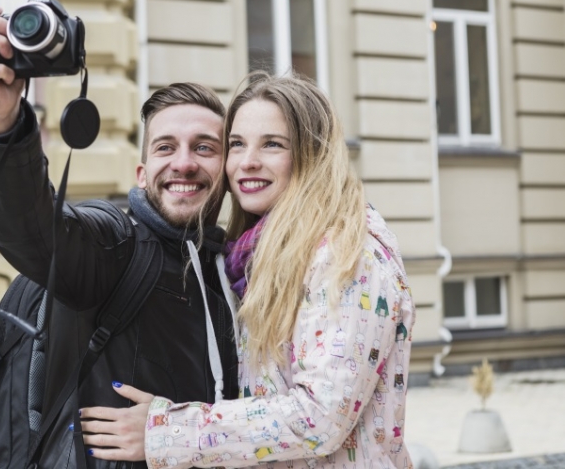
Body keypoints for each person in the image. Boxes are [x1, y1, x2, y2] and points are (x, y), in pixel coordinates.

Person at [80, 73, 416, 469]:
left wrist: (166, 431)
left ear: (312, 154)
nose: (247, 161)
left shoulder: (347, 252)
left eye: (272, 144)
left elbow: (321, 418)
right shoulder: (257, 255)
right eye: (236, 144)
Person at [0, 1, 239, 468]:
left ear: (228, 169)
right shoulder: (113, 245)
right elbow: (32, 231)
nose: (185, 162)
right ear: (141, 172)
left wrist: (172, 428)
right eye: (166, 147)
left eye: (205, 148)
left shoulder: (230, 272)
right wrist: (4, 121)